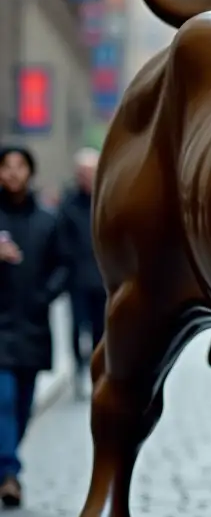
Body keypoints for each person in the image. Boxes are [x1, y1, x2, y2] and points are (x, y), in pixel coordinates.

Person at [0, 144, 70, 507]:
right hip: (1, 325)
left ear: (30, 171)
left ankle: (7, 461)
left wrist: (45, 295)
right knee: (5, 399)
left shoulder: (47, 219)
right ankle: (9, 472)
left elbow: (63, 265)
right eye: (6, 166)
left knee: (24, 403)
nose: (12, 173)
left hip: (32, 324)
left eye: (19, 166)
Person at [56, 147, 106, 399]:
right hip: (76, 280)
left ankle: (97, 370)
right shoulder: (68, 204)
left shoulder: (107, 201)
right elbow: (62, 242)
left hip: (104, 279)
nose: (86, 177)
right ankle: (78, 368)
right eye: (83, 172)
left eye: (91, 172)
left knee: (101, 329)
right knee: (76, 328)